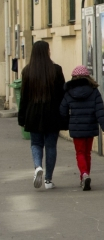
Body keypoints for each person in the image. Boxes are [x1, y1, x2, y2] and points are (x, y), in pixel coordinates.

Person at [17, 41, 66, 189]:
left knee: (36, 144)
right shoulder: (56, 70)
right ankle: (48, 180)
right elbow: (62, 94)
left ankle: (38, 167)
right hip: (52, 113)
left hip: (33, 114)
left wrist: (22, 117)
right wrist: (64, 115)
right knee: (51, 146)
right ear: (46, 52)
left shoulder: (27, 71)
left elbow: (24, 97)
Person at [60, 65, 104, 191]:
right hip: (90, 126)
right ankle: (85, 175)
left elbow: (63, 110)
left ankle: (84, 174)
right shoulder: (94, 91)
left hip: (76, 127)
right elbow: (100, 111)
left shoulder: (69, 92)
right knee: (87, 153)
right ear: (88, 77)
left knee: (80, 153)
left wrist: (65, 124)